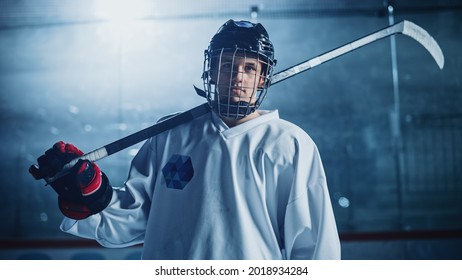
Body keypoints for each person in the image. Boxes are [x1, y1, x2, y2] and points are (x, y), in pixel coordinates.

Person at [30, 19, 341, 260]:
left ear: (262, 78)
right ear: (212, 71)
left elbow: (315, 247)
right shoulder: (169, 134)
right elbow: (131, 222)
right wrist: (93, 195)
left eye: (249, 68)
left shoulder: (289, 143)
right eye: (228, 66)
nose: (238, 77)